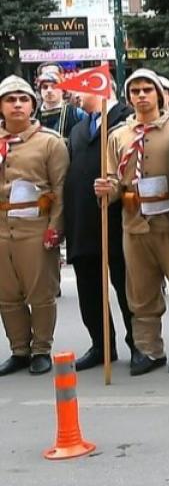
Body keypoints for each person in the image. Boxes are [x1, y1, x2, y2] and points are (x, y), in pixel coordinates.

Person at [94, 69, 169, 376]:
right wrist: (107, 188)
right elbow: (114, 177)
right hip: (134, 222)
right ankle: (150, 350)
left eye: (147, 90)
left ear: (159, 94)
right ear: (128, 97)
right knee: (140, 291)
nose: (141, 96)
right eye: (135, 91)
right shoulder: (118, 135)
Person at [0, 76, 69, 376]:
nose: (17, 104)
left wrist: (56, 228)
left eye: (23, 99)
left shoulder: (49, 142)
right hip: (2, 229)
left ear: (33, 105)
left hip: (35, 227)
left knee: (40, 293)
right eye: (10, 99)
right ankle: (19, 349)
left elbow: (61, 189)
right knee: (6, 295)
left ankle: (41, 348)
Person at [65, 87, 134, 371]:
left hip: (116, 218)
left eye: (82, 89)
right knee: (89, 289)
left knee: (125, 286)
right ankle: (101, 344)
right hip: (82, 219)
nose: (76, 95)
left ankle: (139, 344)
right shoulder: (79, 129)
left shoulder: (126, 120)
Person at [35, 69, 86, 139]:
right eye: (45, 87)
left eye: (54, 87)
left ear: (63, 90)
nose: (49, 90)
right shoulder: (34, 115)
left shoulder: (76, 113)